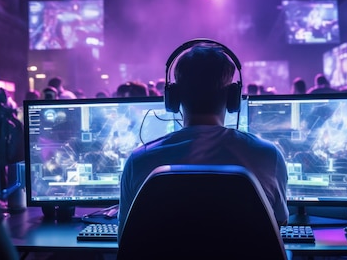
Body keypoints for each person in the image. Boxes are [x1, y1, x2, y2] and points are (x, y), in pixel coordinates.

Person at [118, 42, 289, 242]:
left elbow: (126, 241)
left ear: (172, 98)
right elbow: (277, 225)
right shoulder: (267, 156)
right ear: (233, 96)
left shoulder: (139, 161)